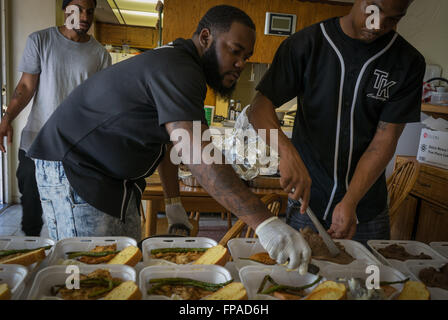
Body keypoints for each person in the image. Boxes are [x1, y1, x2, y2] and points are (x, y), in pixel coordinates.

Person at [27, 5, 311, 273]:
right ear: (205, 37)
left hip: (114, 179)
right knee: (94, 273)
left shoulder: (181, 66)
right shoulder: (180, 68)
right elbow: (197, 154)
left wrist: (173, 203)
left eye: (246, 57)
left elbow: (168, 144)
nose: (240, 64)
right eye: (235, 51)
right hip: (76, 169)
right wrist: (265, 221)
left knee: (126, 265)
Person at [248, 0, 424, 246]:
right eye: (374, 10)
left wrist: (350, 200)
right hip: (306, 206)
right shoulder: (305, 45)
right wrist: (287, 153)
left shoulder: (408, 62)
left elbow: (384, 140)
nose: (378, 25)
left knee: (370, 281)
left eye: (393, 19)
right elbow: (259, 108)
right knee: (299, 281)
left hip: (366, 210)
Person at [0, 0, 111, 236]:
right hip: (36, 143)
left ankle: (67, 264)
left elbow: (99, 105)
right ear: (65, 10)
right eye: (78, 9)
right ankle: (31, 263)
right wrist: (6, 118)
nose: (85, 16)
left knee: (71, 214)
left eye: (89, 11)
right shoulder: (40, 41)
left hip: (76, 149)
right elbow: (26, 86)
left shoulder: (100, 54)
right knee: (32, 212)